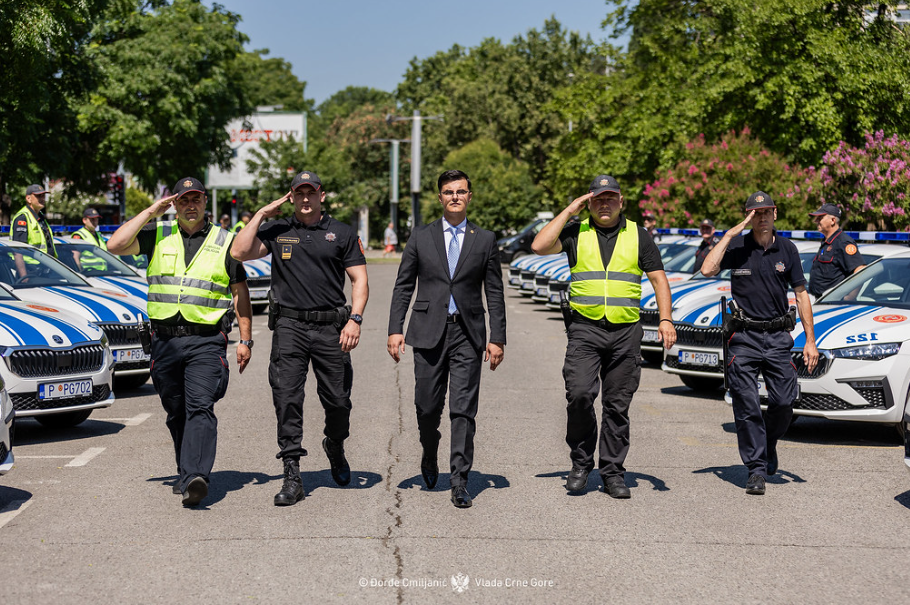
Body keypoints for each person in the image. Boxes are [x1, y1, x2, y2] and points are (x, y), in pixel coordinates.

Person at [107, 177, 253, 507]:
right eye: (184, 199)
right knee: (176, 411)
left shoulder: (226, 240)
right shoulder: (157, 234)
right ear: (174, 203)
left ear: (205, 202)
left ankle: (195, 477)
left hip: (206, 341)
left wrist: (246, 339)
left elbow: (239, 293)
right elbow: (114, 245)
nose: (191, 205)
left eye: (196, 199)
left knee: (200, 405)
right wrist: (150, 211)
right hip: (164, 341)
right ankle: (185, 469)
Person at [532, 175, 675, 499]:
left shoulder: (638, 234)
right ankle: (581, 463)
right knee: (580, 394)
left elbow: (659, 279)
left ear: (621, 201)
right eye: (598, 199)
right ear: (590, 202)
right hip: (585, 329)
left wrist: (665, 319)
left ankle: (612, 472)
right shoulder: (576, 232)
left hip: (626, 332)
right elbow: (539, 246)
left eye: (611, 198)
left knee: (617, 405)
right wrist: (570, 209)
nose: (605, 204)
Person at [231, 170, 368, 507]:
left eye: (311, 193)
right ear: (291, 197)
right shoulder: (277, 230)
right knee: (287, 399)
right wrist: (262, 214)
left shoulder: (342, 232)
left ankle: (334, 443)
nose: (306, 199)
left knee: (338, 401)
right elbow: (239, 252)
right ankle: (292, 473)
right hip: (290, 327)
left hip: (330, 328)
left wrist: (355, 319)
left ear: (321, 195)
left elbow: (360, 280)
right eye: (299, 194)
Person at [387, 169, 506, 509]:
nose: (455, 196)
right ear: (439, 198)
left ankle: (459, 480)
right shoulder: (421, 237)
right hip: (427, 331)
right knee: (426, 407)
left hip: (468, 334)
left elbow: (494, 293)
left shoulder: (484, 239)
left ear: (470, 196)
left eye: (461, 191)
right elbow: (403, 286)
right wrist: (396, 328)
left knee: (463, 409)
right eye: (449, 192)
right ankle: (429, 449)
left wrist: (497, 338)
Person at [700, 191, 818, 496]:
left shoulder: (788, 249)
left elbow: (802, 295)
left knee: (783, 402)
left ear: (775, 213)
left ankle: (768, 443)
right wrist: (729, 233)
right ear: (748, 216)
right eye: (755, 213)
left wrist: (810, 341)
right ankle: (755, 468)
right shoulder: (737, 245)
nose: (761, 217)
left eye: (766, 211)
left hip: (778, 337)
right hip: (744, 337)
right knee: (747, 404)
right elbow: (707, 269)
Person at [807, 203, 864, 298]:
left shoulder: (843, 242)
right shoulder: (827, 241)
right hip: (819, 300)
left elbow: (860, 270)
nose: (815, 221)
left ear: (833, 220)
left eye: (820, 218)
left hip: (832, 303)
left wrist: (850, 297)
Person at [12, 183, 57, 257]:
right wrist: (22, 269)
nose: (42, 199)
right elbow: (18, 251)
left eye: (43, 196)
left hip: (45, 264)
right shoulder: (23, 217)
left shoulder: (40, 217)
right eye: (39, 196)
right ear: (28, 199)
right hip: (31, 266)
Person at [71, 207, 107, 272]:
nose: (95, 222)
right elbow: (75, 257)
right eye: (92, 219)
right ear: (84, 220)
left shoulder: (99, 235)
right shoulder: (79, 235)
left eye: (96, 219)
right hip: (88, 273)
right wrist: (80, 273)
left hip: (103, 272)